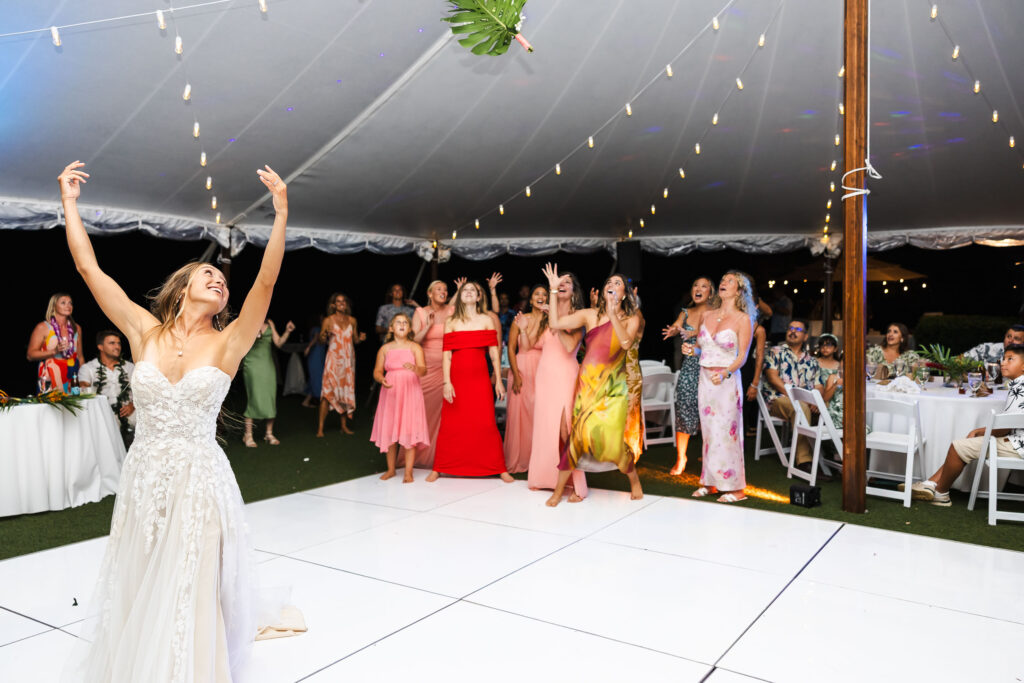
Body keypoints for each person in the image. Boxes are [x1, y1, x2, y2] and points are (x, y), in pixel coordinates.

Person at [58, 161, 291, 681]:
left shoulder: (229, 342)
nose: (219, 281)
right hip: (143, 477)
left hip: (200, 479)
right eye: (209, 275)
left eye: (223, 281)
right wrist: (69, 204)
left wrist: (280, 215)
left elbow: (266, 282)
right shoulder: (143, 331)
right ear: (184, 287)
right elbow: (90, 271)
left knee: (190, 582)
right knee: (144, 577)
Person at [542, 265, 644, 506]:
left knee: (613, 441)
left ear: (625, 294)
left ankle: (634, 480)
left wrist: (613, 314)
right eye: (609, 282)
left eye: (618, 283)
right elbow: (555, 322)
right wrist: (553, 290)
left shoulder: (632, 318)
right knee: (576, 438)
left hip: (613, 389)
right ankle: (558, 491)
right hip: (587, 386)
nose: (612, 285)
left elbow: (626, 344)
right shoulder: (589, 315)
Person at [908, 344, 1024, 507]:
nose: (1003, 363)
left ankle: (940, 493)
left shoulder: (1020, 386)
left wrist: (980, 431)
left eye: (1010, 359)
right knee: (965, 445)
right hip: (1017, 441)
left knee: (958, 447)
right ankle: (930, 484)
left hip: (1018, 445)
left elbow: (1007, 426)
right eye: (1004, 359)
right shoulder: (1018, 384)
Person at [427, 282, 513, 483]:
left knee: (486, 422)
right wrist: (446, 383)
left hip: (480, 378)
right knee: (451, 424)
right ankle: (439, 467)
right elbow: (446, 355)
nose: (467, 292)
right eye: (464, 290)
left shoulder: (487, 320)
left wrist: (498, 381)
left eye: (472, 290)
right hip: (456, 379)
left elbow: (494, 352)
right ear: (460, 296)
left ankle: (499, 468)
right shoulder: (451, 321)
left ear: (478, 297)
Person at [683, 271, 756, 503]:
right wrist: (691, 351)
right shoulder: (707, 315)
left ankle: (736, 488)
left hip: (726, 381)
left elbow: (742, 356)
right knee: (709, 432)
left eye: (730, 281)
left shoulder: (743, 319)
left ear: (739, 290)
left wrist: (725, 373)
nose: (724, 283)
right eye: (723, 280)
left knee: (727, 432)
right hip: (705, 380)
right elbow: (701, 348)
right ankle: (710, 482)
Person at [527, 272, 588, 500]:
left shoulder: (578, 316)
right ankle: (545, 479)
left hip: (565, 375)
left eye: (567, 282)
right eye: (559, 282)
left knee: (565, 430)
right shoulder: (546, 316)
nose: (562, 285)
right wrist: (534, 321)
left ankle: (576, 484)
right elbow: (532, 344)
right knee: (545, 428)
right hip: (545, 375)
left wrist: (556, 323)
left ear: (574, 290)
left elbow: (571, 346)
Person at [662, 276, 716, 475]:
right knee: (684, 407)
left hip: (710, 368)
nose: (698, 289)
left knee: (710, 412)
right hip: (690, 369)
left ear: (711, 292)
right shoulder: (686, 312)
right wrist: (674, 330)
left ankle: (710, 455)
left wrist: (694, 334)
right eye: (695, 285)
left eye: (704, 286)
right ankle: (681, 458)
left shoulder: (717, 313)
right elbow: (677, 325)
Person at [370, 313, 429, 483]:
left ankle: (408, 472)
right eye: (398, 322)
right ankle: (391, 469)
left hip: (410, 392)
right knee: (390, 429)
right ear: (391, 328)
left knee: (409, 428)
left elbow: (423, 370)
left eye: (405, 323)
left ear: (409, 329)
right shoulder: (385, 349)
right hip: (390, 393)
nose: (402, 325)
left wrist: (415, 368)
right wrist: (381, 378)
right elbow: (377, 370)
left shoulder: (415, 347)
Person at [762, 318, 822, 477]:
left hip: (805, 401)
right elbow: (773, 378)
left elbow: (819, 385)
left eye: (798, 329)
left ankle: (831, 456)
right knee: (800, 408)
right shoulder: (775, 351)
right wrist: (799, 398)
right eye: (790, 328)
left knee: (829, 407)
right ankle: (804, 462)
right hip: (778, 399)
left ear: (806, 336)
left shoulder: (812, 361)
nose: (793, 331)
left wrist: (816, 401)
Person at [503, 284, 548, 473]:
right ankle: (519, 458)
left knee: (539, 414)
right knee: (519, 415)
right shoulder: (520, 319)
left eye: (544, 294)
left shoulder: (551, 321)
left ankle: (538, 460)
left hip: (542, 369)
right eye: (537, 294)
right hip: (521, 368)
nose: (541, 297)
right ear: (530, 300)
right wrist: (516, 374)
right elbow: (511, 348)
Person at [412, 280, 455, 468]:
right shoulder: (420, 312)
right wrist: (428, 326)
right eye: (439, 289)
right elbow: (414, 340)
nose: (443, 291)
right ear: (430, 293)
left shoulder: (452, 311)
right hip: (427, 369)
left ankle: (444, 456)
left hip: (449, 368)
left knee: (448, 413)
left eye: (445, 289)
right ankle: (421, 455)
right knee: (425, 411)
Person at [317, 293, 366, 437]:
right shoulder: (328, 320)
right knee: (327, 393)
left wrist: (361, 338)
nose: (341, 303)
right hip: (333, 361)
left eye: (343, 301)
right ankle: (320, 428)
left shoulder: (352, 320)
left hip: (347, 362)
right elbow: (321, 340)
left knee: (345, 392)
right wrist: (324, 335)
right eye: (338, 301)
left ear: (347, 304)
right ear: (333, 305)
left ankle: (343, 426)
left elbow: (355, 340)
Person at [241, 319, 294, 447]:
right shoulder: (248, 320)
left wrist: (287, 332)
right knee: (254, 398)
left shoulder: (270, 323)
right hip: (252, 365)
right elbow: (239, 344)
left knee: (270, 398)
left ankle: (269, 433)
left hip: (267, 367)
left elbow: (278, 343)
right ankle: (248, 435)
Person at [79, 330, 136, 445]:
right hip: (102, 414)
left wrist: (132, 405)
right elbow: (84, 390)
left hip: (130, 412)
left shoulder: (130, 367)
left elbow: (141, 391)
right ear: (100, 347)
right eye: (112, 343)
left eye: (119, 343)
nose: (117, 347)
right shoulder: (88, 368)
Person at [27, 292, 84, 392]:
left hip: (72, 377)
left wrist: (83, 378)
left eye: (70, 303)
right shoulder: (43, 327)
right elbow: (30, 355)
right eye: (63, 303)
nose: (68, 306)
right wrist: (54, 351)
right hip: (50, 378)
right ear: (53, 306)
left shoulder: (76, 328)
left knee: (73, 402)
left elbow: (80, 356)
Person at [741, 314, 768, 438]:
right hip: (728, 368)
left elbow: (759, 356)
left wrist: (755, 383)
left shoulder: (758, 329)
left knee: (742, 409)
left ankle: (740, 445)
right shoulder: (733, 320)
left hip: (746, 370)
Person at [814, 333, 844, 427]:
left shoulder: (839, 365)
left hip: (833, 395)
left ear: (835, 349)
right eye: (822, 345)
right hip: (819, 394)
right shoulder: (815, 362)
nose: (825, 348)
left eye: (829, 345)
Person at [301, 315, 326, 408]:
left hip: (319, 355)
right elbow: (315, 338)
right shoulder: (317, 329)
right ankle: (322, 401)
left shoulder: (321, 329)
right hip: (316, 356)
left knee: (316, 377)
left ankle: (306, 401)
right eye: (321, 319)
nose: (323, 320)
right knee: (317, 377)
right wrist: (308, 347)